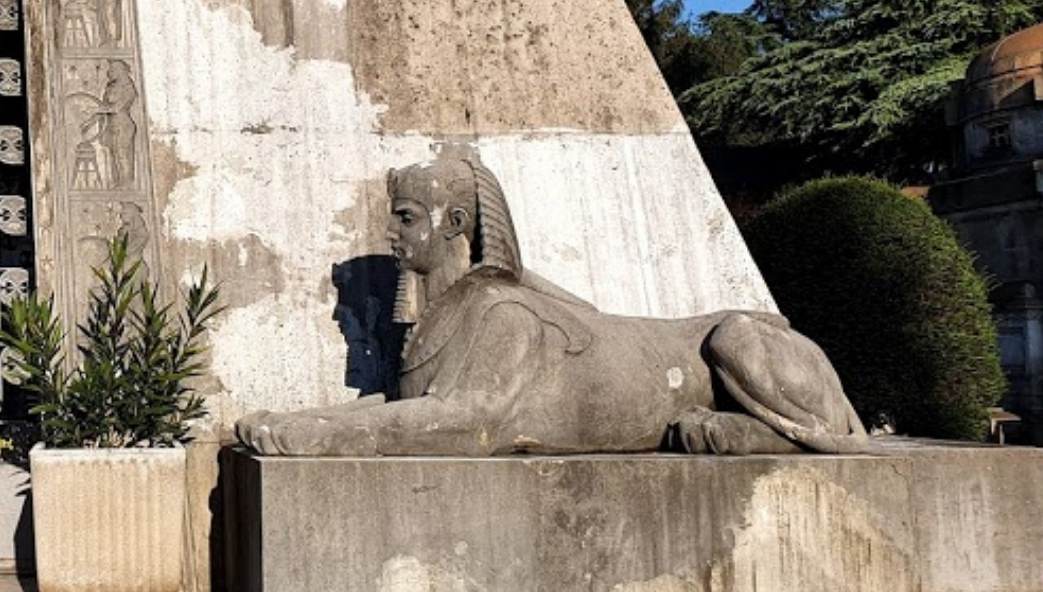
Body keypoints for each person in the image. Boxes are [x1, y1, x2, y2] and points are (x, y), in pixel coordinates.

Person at [238, 146, 870, 458]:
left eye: (405, 218)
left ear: (455, 222)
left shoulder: (504, 315)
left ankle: (785, 436)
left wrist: (319, 435)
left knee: (735, 339)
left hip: (730, 349)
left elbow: (467, 422)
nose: (390, 234)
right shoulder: (453, 318)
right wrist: (316, 419)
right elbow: (420, 408)